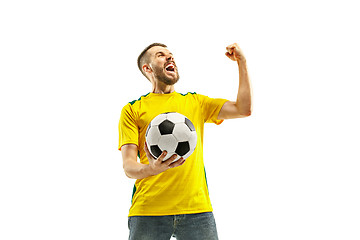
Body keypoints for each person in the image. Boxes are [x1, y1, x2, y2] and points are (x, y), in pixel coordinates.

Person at [118, 42, 252, 240]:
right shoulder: (133, 109)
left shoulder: (195, 102)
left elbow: (243, 109)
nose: (169, 57)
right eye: (161, 55)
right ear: (148, 68)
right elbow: (129, 166)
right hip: (148, 211)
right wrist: (152, 169)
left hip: (197, 210)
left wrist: (242, 62)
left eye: (171, 55)